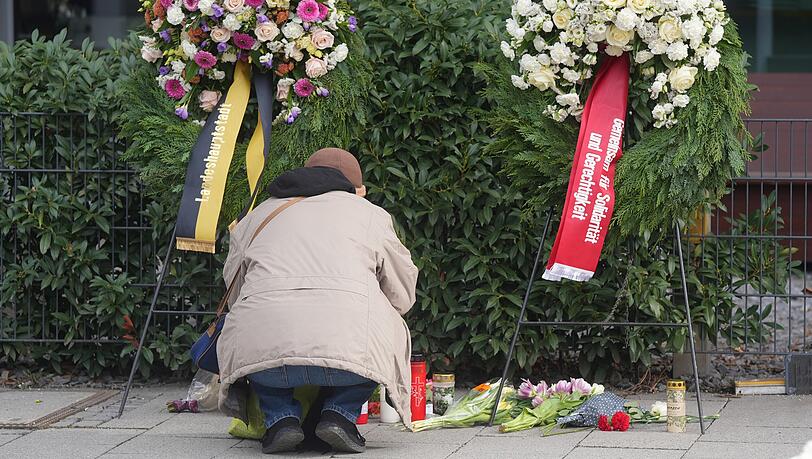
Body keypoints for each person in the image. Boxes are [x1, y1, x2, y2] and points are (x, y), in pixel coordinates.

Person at [216, 148, 418, 454]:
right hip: (350, 366)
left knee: (252, 324)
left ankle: (280, 418)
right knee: (386, 328)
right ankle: (339, 414)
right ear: (356, 189)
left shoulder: (257, 216)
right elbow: (402, 294)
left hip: (268, 366)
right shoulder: (371, 215)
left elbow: (234, 292)